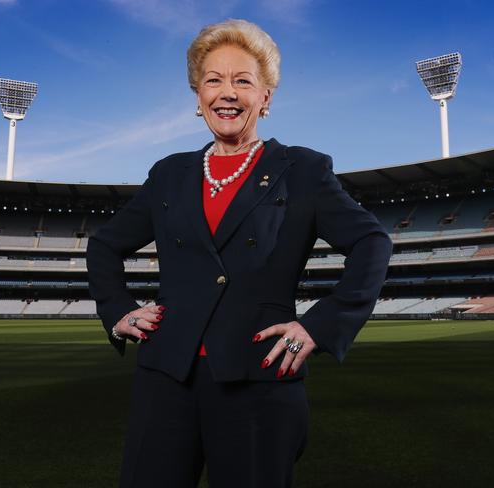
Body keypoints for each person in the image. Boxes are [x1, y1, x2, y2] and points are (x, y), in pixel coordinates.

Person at [86, 18, 393, 488]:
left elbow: (372, 242)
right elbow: (105, 244)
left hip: (260, 378)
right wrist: (117, 309)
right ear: (198, 96)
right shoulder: (169, 174)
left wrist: (318, 325)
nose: (226, 93)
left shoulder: (303, 170)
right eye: (213, 80)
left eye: (242, 81)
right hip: (166, 377)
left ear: (265, 97)